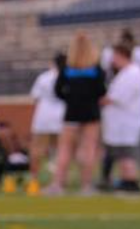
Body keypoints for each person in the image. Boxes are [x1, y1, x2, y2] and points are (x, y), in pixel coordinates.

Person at [46, 32, 108, 195]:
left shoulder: (67, 69)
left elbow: (57, 91)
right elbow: (101, 91)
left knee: (64, 149)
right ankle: (86, 186)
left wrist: (71, 98)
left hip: (72, 113)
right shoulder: (96, 69)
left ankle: (58, 184)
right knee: (89, 150)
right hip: (91, 114)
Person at [100, 45, 140, 192]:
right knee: (121, 152)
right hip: (121, 121)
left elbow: (117, 97)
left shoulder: (133, 73)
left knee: (126, 152)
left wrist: (101, 101)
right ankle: (126, 178)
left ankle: (131, 180)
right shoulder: (126, 73)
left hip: (127, 121)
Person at [27, 53, 67, 196]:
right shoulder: (66, 76)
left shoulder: (44, 77)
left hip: (43, 117)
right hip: (61, 117)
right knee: (58, 151)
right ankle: (57, 180)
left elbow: (35, 97)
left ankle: (34, 179)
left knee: (37, 149)